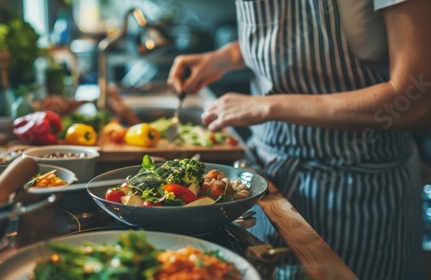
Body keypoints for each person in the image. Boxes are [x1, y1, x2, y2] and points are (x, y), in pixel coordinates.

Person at [167, 0, 430, 279]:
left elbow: (416, 100)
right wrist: (225, 57)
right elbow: (296, 36)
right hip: (269, 183)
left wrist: (269, 106)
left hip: (361, 193)